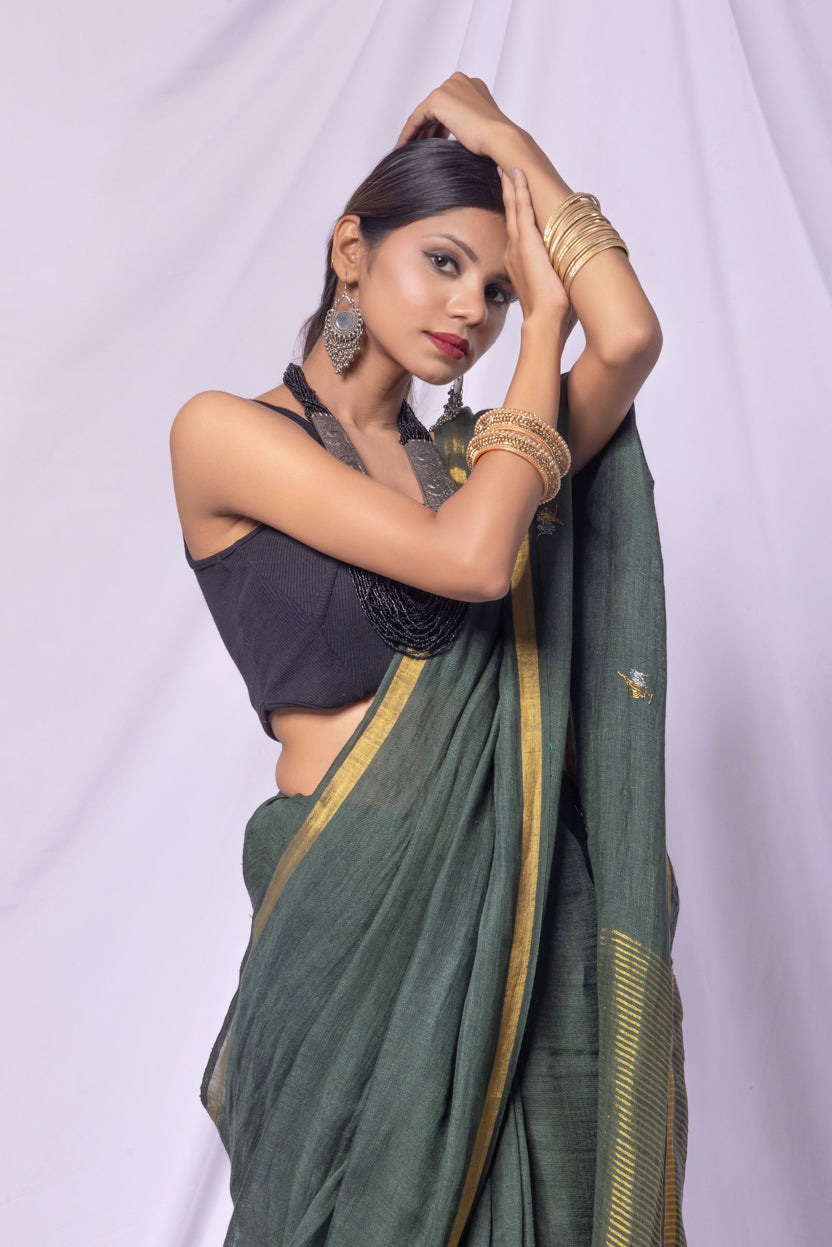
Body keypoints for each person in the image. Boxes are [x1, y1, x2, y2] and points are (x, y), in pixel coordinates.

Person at [170, 73, 687, 1247]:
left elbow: (633, 332)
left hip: (512, 923)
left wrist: (512, 142)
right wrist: (543, 335)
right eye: (444, 262)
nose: (476, 308)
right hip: (346, 921)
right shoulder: (225, 434)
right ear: (352, 252)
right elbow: (467, 562)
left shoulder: (478, 461)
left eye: (502, 290)